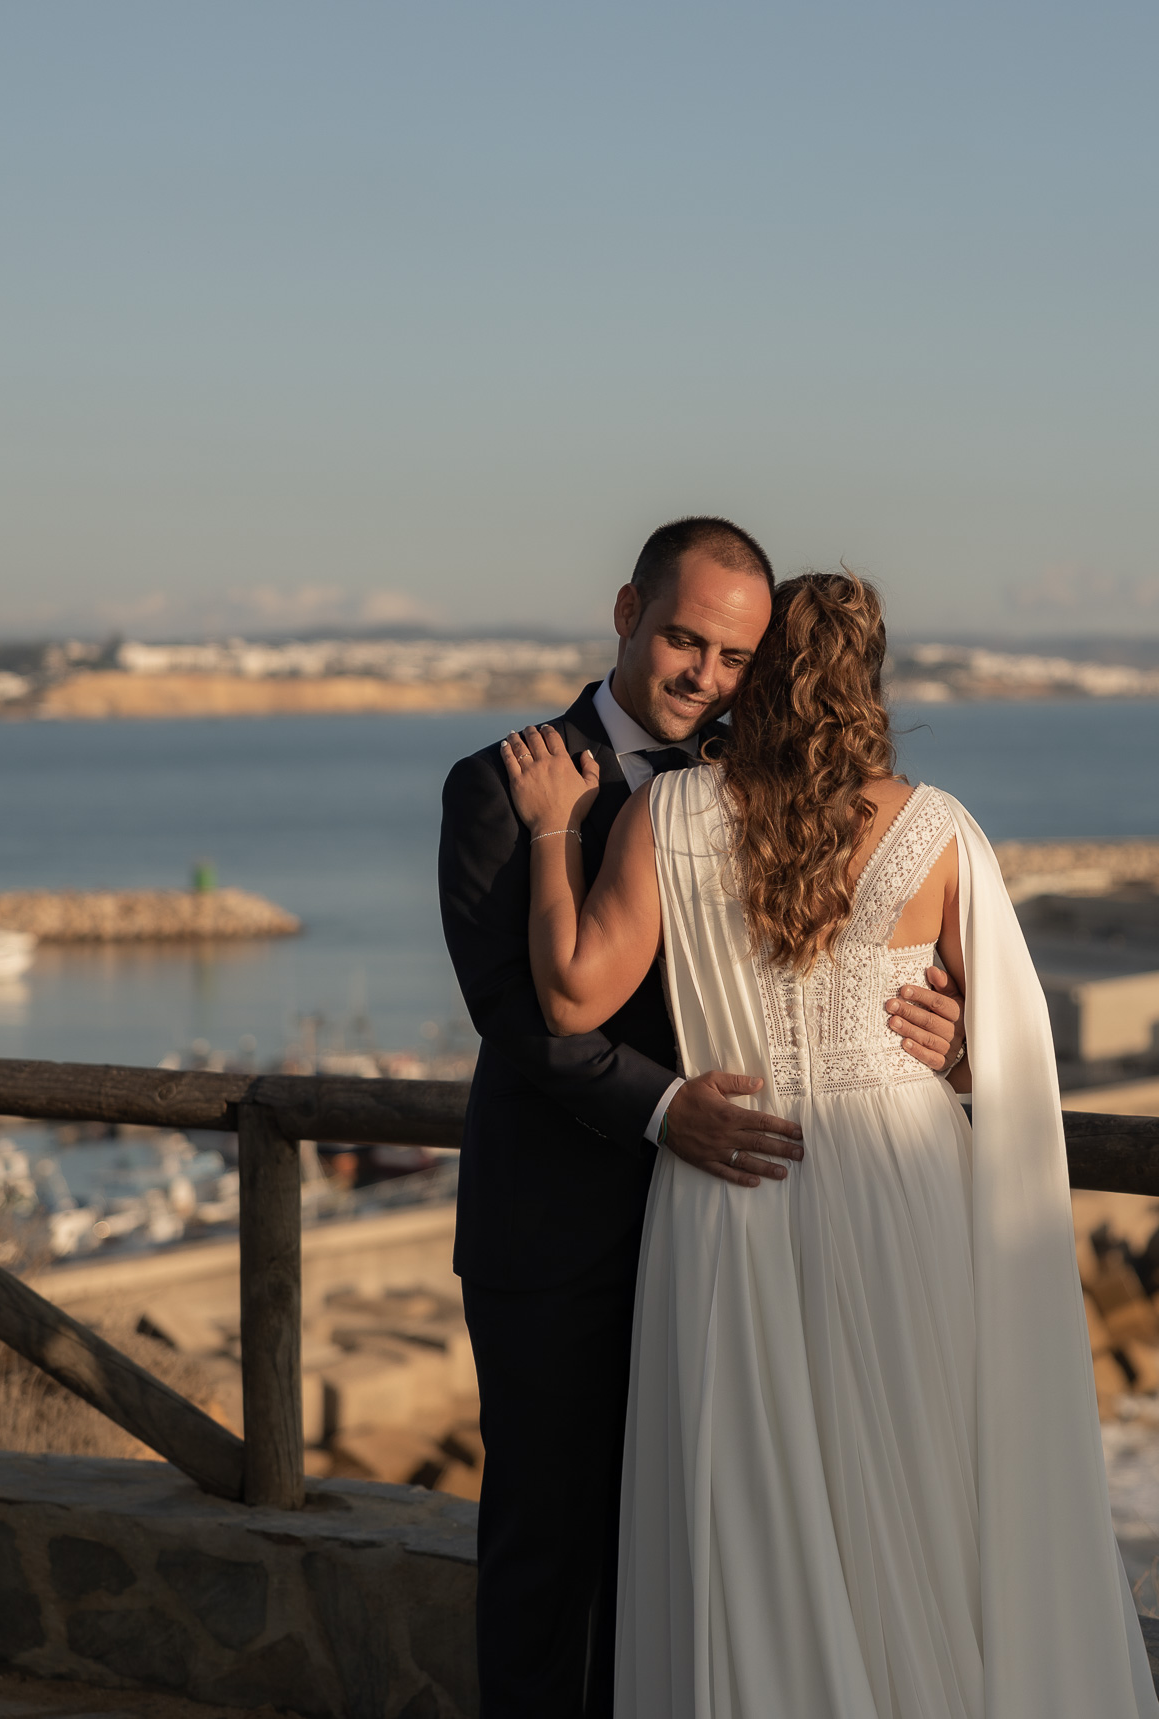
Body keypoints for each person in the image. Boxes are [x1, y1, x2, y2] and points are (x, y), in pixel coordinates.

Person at [502, 568, 1159, 1719]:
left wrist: (553, 824)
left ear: (756, 677)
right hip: (905, 1180)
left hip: (736, 1177)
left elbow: (567, 997)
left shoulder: (670, 815)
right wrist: (956, 1048)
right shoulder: (940, 830)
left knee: (748, 1502)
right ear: (869, 681)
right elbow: (1011, 1056)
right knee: (918, 1482)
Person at [438, 522, 965, 1717]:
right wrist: (667, 1109)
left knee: (698, 1548)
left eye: (736, 658)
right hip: (561, 1233)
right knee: (546, 1553)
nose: (705, 676)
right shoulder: (507, 780)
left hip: (740, 1236)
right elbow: (519, 1016)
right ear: (628, 612)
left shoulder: (766, 783)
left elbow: (841, 959)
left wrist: (944, 1025)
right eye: (685, 641)